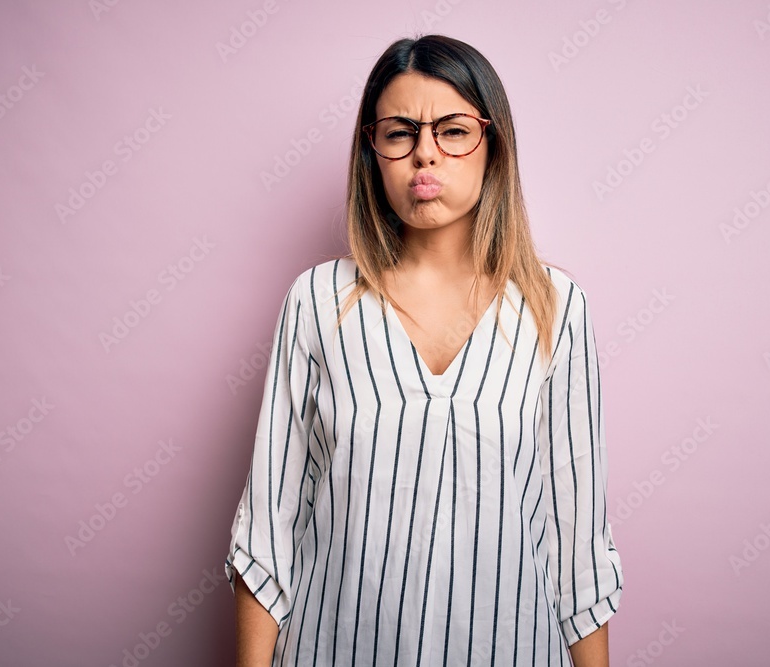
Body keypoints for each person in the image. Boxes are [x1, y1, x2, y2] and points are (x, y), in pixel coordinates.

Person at [224, 33, 624, 667]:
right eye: (400, 132)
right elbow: (265, 534)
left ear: (493, 145)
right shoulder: (317, 303)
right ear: (372, 151)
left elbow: (582, 549)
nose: (425, 155)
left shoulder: (556, 308)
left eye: (454, 130)